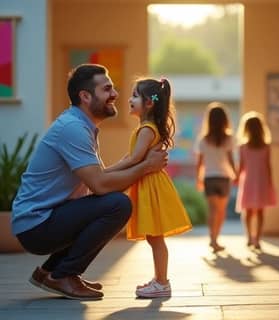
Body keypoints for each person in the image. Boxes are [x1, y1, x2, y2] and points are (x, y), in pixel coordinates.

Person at [11, 64, 167, 301]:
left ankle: (49, 272)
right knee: (118, 204)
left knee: (109, 202)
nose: (115, 94)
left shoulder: (82, 126)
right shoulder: (73, 128)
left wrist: (138, 163)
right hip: (37, 224)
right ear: (85, 96)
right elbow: (102, 185)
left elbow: (102, 176)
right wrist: (146, 166)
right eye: (106, 89)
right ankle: (64, 274)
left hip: (46, 218)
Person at [105, 77, 192, 298]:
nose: (129, 99)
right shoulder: (146, 128)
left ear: (149, 103)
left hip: (151, 187)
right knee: (155, 237)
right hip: (149, 185)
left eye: (135, 96)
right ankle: (160, 280)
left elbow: (134, 159)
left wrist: (106, 172)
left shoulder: (146, 129)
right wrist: (110, 169)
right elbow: (132, 157)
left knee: (155, 237)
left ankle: (162, 282)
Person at [195, 102, 236, 253]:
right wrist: (236, 174)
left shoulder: (203, 139)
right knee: (221, 211)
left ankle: (212, 239)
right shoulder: (229, 138)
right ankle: (216, 239)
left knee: (212, 210)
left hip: (209, 178)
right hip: (224, 177)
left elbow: (199, 163)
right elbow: (231, 159)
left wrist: (198, 179)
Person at [235, 111, 277, 250]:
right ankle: (257, 239)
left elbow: (241, 166)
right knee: (259, 212)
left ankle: (249, 237)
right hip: (262, 181)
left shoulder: (243, 147)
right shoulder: (265, 146)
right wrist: (270, 182)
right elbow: (268, 166)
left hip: (248, 182)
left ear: (246, 128)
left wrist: (236, 178)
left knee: (247, 212)